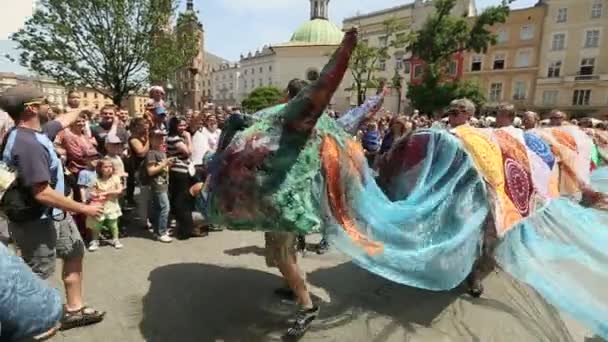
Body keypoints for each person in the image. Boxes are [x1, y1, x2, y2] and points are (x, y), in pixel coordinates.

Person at [0, 85, 105, 330]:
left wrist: (82, 109)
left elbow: (60, 121)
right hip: (37, 220)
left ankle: (74, 310)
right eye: (44, 101)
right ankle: (29, 326)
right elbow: (42, 192)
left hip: (56, 215)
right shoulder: (27, 144)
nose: (50, 105)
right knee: (36, 275)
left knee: (73, 251)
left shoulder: (34, 133)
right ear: (32, 108)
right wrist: (83, 208)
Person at [166, 116, 202, 239]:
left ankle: (185, 227)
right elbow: (188, 151)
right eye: (180, 125)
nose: (183, 127)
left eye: (184, 125)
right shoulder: (175, 138)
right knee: (182, 201)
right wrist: (188, 138)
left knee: (181, 200)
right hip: (179, 172)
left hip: (182, 170)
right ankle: (185, 230)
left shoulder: (176, 137)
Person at [86, 157, 124, 251]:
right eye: (106, 167)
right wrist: (96, 194)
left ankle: (116, 239)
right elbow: (91, 191)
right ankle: (95, 240)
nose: (109, 168)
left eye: (110, 166)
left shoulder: (115, 178)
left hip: (112, 205)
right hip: (100, 206)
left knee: (113, 224)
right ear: (100, 168)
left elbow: (119, 190)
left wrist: (107, 193)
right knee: (97, 225)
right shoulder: (96, 179)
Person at [145, 130, 173, 243]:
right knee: (165, 208)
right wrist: (164, 164)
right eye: (157, 138)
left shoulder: (161, 152)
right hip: (157, 185)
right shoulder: (151, 153)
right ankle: (162, 232)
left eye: (162, 138)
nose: (161, 140)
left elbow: (162, 169)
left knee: (158, 208)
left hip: (164, 184)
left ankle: (158, 231)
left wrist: (168, 164)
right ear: (151, 140)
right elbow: (150, 171)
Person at [126, 117, 150, 207]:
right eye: (143, 127)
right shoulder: (133, 139)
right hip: (139, 168)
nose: (146, 129)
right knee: (141, 193)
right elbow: (141, 153)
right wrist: (149, 140)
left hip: (147, 167)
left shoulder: (143, 137)